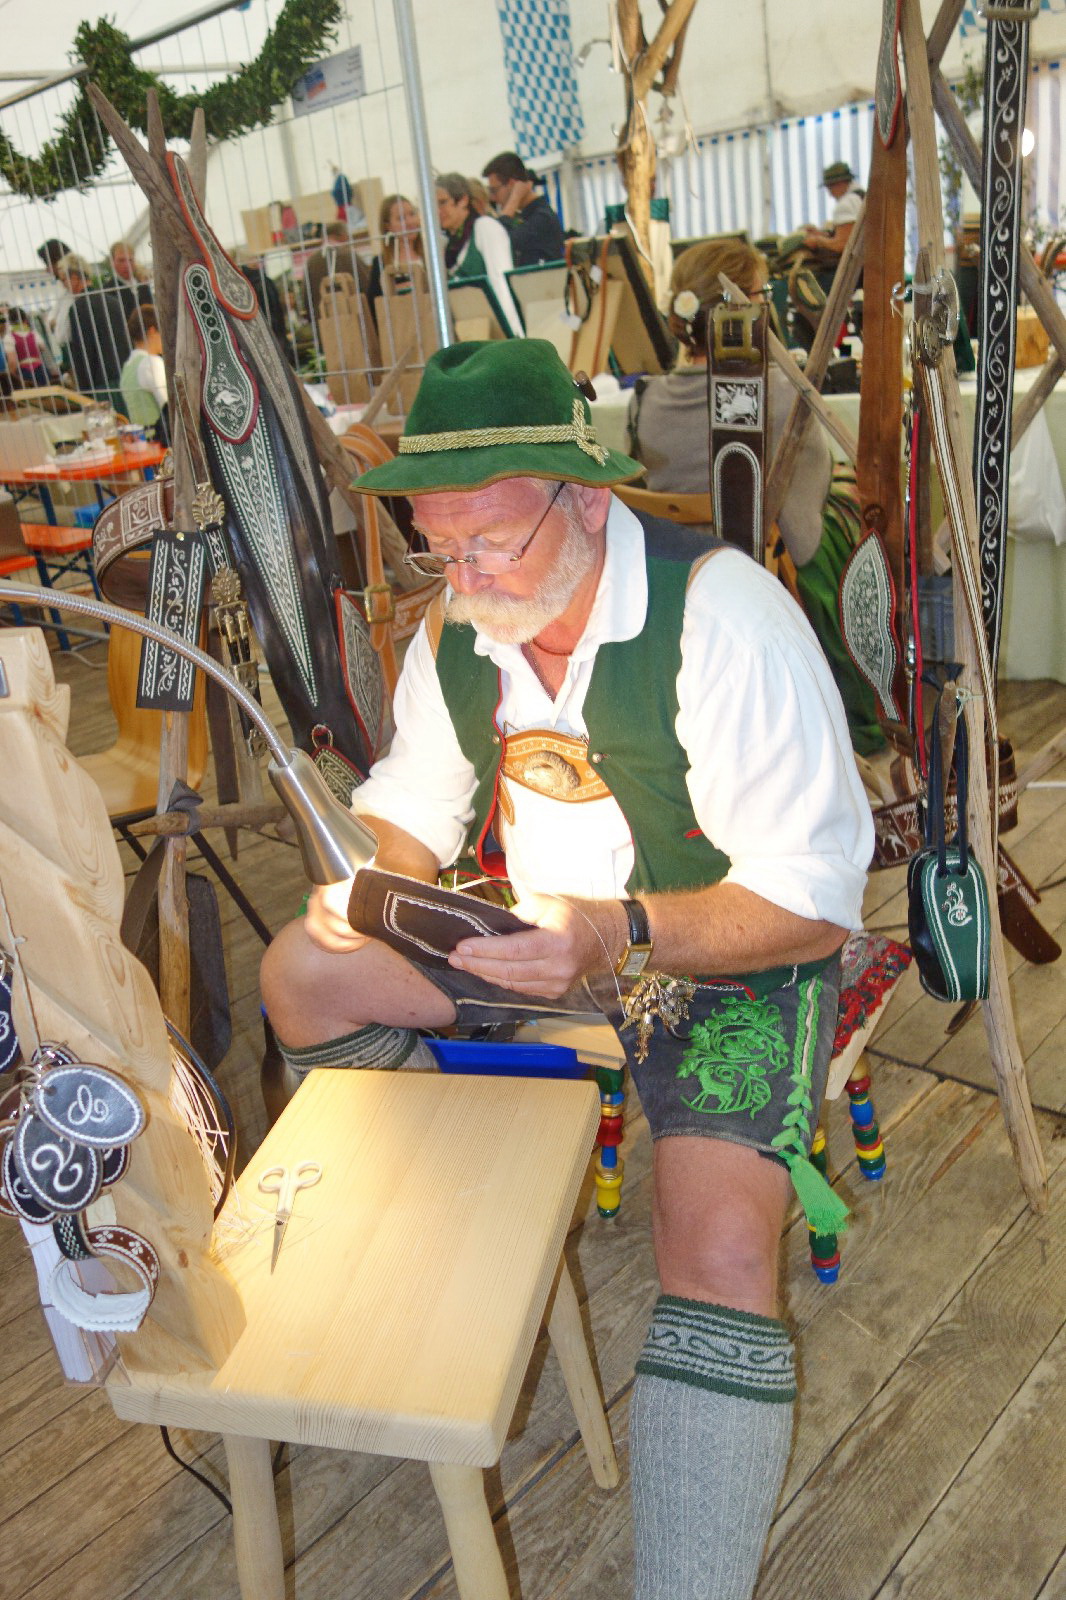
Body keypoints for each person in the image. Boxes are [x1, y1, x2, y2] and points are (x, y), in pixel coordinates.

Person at [260, 337, 873, 1600]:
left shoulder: (722, 618)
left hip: (726, 959)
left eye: (490, 540)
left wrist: (619, 931)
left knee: (714, 1254)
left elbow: (813, 908)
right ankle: (451, 1227)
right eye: (439, 547)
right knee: (304, 973)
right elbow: (412, 814)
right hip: (549, 946)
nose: (464, 575)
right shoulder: (462, 625)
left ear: (585, 498)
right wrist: (368, 888)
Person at [627, 238, 883, 756]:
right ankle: (870, 688)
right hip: (760, 562)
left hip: (674, 570)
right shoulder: (780, 391)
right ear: (745, 308)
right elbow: (806, 519)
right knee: (857, 506)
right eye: (765, 294)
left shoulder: (645, 400)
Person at [435, 172, 523, 337]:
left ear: (463, 200)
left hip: (496, 332)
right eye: (434, 206)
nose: (438, 211)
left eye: (443, 202)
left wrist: (512, 336)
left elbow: (501, 283)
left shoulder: (485, 227)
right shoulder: (447, 245)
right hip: (470, 332)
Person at [57, 252, 132, 401]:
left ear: (74, 277)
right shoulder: (113, 301)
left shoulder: (79, 307)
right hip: (126, 376)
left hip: (101, 384)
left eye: (64, 279)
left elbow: (83, 353)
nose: (64, 285)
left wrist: (85, 392)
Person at [482, 150, 566, 266]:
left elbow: (501, 242)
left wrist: (514, 199)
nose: (493, 197)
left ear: (512, 184)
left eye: (494, 190)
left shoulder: (542, 218)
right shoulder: (526, 215)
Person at [304, 219, 372, 343]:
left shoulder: (311, 262)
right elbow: (367, 288)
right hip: (356, 325)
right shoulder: (351, 257)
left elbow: (306, 300)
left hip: (325, 328)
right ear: (343, 236)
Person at [119, 304, 169, 442]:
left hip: (141, 441)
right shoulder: (152, 363)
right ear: (152, 331)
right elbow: (169, 405)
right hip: (161, 441)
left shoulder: (128, 366)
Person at [802, 160, 864, 265]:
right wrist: (824, 234)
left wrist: (817, 240)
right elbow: (850, 233)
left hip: (854, 269)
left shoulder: (846, 204)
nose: (830, 194)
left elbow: (842, 244)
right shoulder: (861, 197)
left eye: (830, 188)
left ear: (839, 183)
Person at [37, 237, 76, 349]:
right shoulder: (63, 291)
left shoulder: (74, 292)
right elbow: (51, 322)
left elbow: (62, 333)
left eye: (47, 264)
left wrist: (55, 323)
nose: (47, 270)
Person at [107, 238, 154, 320]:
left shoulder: (142, 283)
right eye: (121, 260)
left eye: (130, 260)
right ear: (112, 262)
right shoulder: (108, 290)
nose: (127, 265)